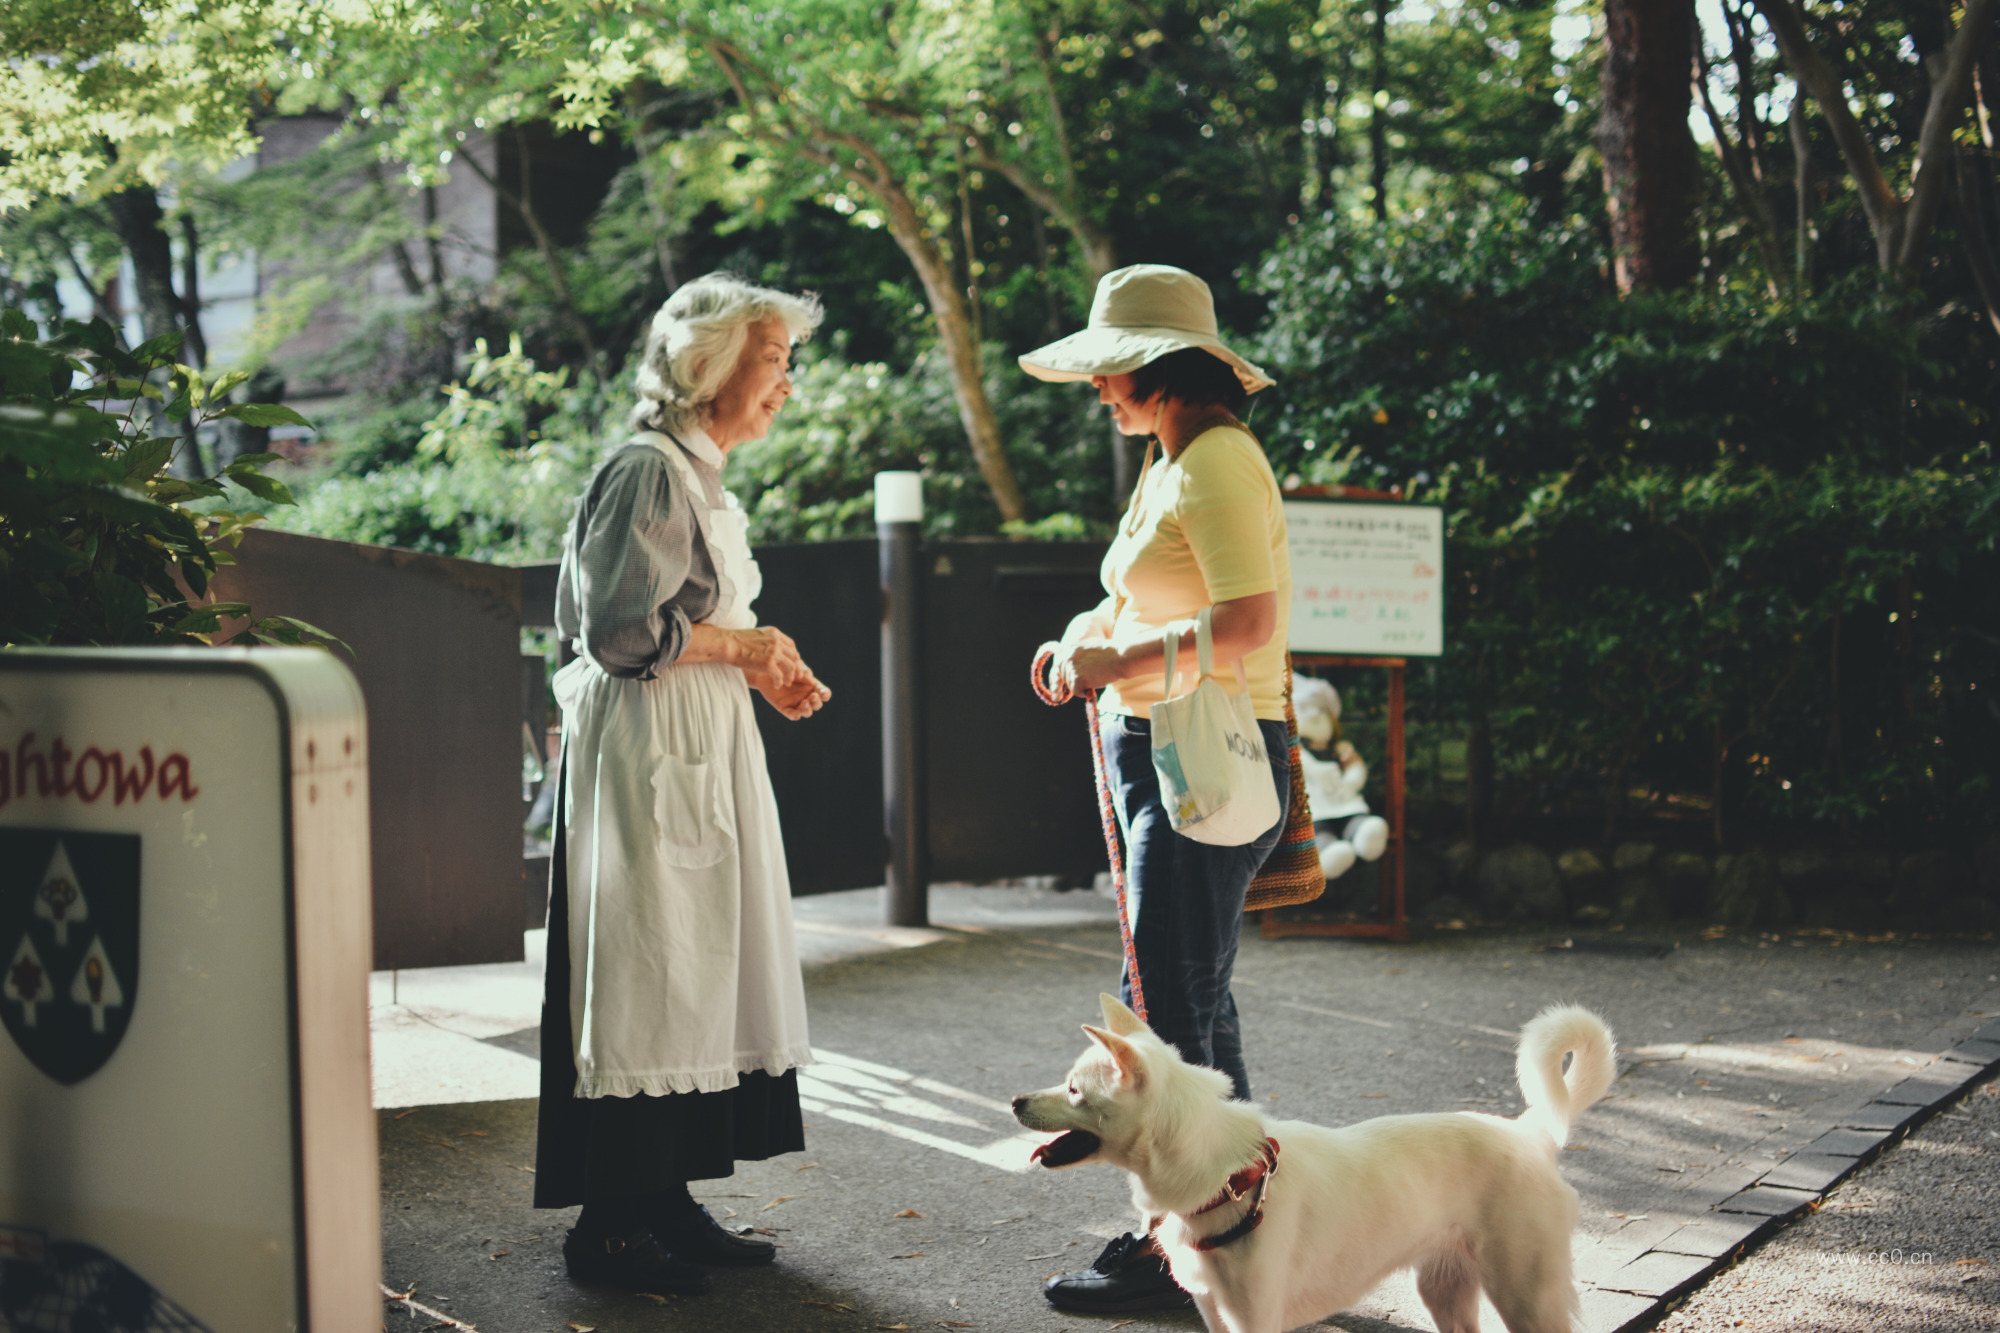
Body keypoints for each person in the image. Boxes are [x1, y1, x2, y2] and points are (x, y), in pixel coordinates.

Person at [536, 273, 833, 1295]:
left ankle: (663, 1198)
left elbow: (685, 620)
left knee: (696, 970)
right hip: (647, 752)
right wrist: (743, 646)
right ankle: (610, 1227)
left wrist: (758, 662)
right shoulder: (649, 470)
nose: (786, 384)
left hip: (688, 742)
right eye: (774, 362)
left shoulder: (695, 472)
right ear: (711, 367)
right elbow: (623, 631)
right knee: (651, 974)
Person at [1023, 264, 1294, 1314]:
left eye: (1111, 370)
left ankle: (1185, 1246)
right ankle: (1235, 1231)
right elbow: (1142, 595)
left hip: (1198, 758)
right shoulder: (1173, 455)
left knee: (1170, 1013)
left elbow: (1247, 621)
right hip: (1171, 753)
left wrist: (1116, 661)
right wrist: (1081, 639)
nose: (1099, 389)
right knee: (1187, 996)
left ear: (1163, 367)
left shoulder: (1213, 460)